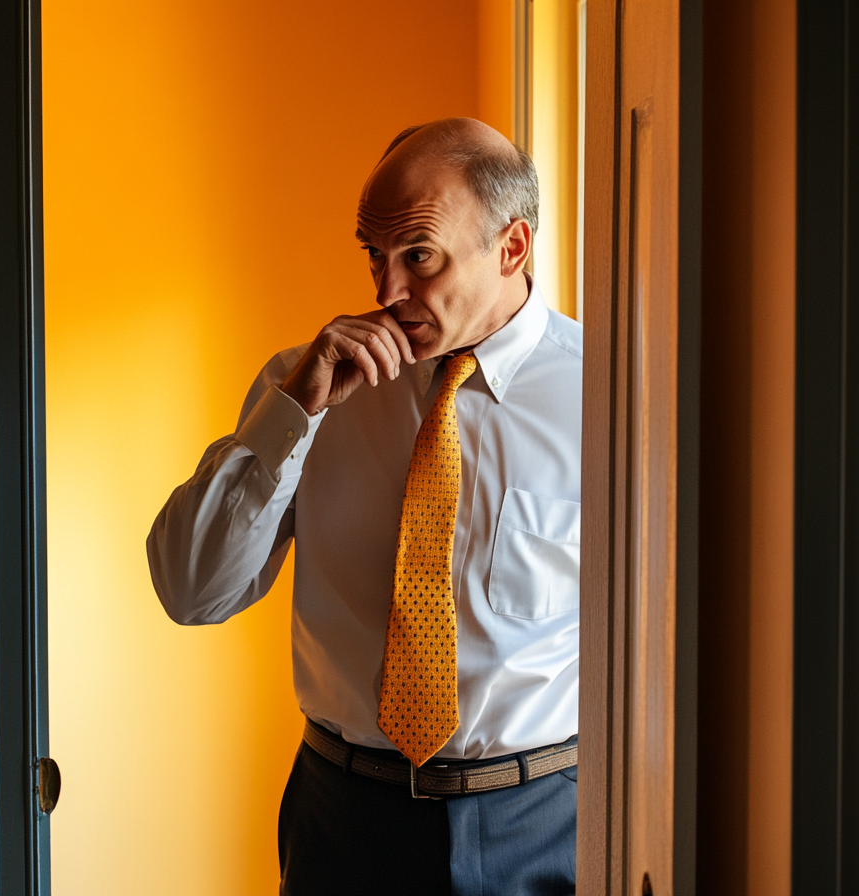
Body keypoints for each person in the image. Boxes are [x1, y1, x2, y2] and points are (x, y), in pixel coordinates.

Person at [147, 117, 582, 896]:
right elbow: (191, 590)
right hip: (345, 823)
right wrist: (295, 413)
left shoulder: (611, 395)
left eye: (418, 256)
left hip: (546, 822)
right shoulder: (305, 385)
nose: (386, 291)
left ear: (512, 247)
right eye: (373, 256)